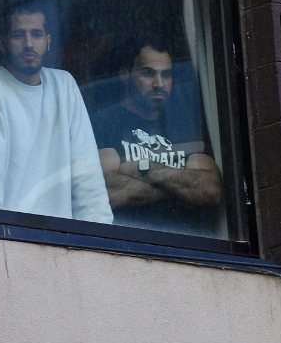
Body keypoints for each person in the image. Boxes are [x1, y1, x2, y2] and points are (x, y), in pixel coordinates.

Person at [0, 4, 112, 222]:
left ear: (48, 42)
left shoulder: (63, 85)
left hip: (64, 242)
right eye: (18, 35)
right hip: (5, 236)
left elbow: (88, 179)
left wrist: (99, 241)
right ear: (2, 43)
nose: (28, 44)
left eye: (36, 34)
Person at [90, 41, 222, 233]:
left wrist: (145, 167)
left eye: (166, 75)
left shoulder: (185, 127)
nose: (159, 83)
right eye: (148, 73)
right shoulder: (106, 122)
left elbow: (211, 189)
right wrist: (179, 190)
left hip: (187, 245)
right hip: (126, 242)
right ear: (125, 75)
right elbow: (107, 191)